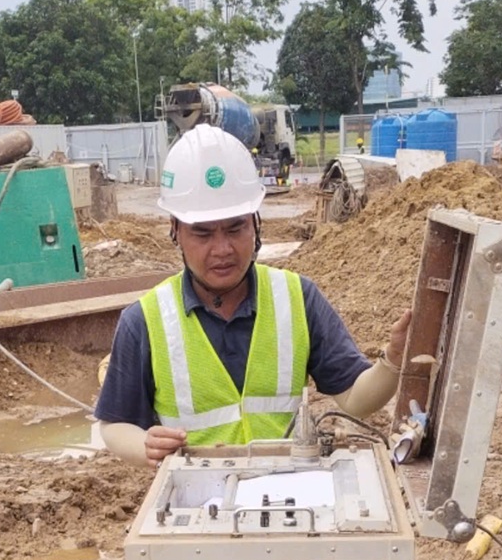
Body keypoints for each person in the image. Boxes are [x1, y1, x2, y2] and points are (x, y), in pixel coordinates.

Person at [96, 124, 410, 466]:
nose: (222, 249)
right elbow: (114, 424)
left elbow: (356, 399)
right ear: (176, 230)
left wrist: (393, 359)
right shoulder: (145, 320)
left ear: (255, 223)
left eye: (236, 228)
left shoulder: (297, 299)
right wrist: (144, 444)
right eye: (203, 234)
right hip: (194, 492)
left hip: (285, 488)